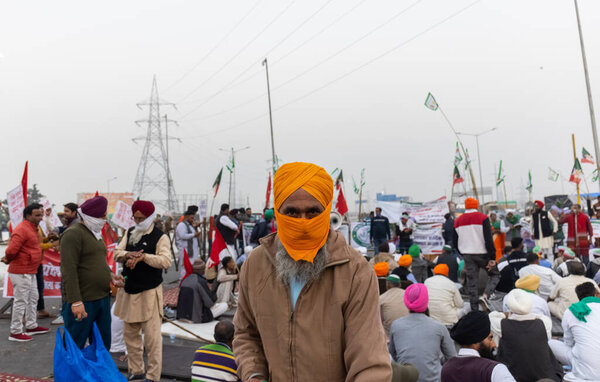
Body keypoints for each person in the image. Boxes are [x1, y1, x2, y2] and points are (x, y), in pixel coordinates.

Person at [233, 162, 392, 381]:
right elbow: (246, 334)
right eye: (292, 212)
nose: (303, 223)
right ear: (278, 213)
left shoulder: (355, 271)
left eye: (313, 212)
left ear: (327, 212)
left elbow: (370, 364)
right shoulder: (256, 265)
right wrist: (254, 374)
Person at [113, 201, 172, 382]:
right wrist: (128, 255)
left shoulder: (160, 237)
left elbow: (165, 261)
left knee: (152, 340)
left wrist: (144, 257)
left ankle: (153, 376)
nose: (138, 221)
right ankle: (136, 371)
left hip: (149, 293)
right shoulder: (130, 232)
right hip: (129, 291)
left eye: (141, 218)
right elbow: (116, 252)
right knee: (130, 336)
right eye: (135, 217)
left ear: (150, 217)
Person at [60, 195, 124, 349]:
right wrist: (76, 301)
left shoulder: (96, 233)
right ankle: (68, 373)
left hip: (101, 296)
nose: (104, 218)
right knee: (74, 343)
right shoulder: (73, 234)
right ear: (90, 216)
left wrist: (110, 276)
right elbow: (68, 270)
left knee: (102, 343)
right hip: (83, 299)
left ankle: (97, 372)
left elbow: (98, 261)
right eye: (101, 216)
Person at [389, 283, 456, 382]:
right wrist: (437, 361)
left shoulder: (396, 325)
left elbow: (393, 354)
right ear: (426, 301)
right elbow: (452, 357)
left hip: (406, 378)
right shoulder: (439, 327)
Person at [490, 289, 562, 381]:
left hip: (513, 376)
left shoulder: (500, 324)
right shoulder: (544, 322)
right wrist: (525, 313)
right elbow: (540, 316)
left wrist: (506, 315)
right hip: (544, 376)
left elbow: (491, 316)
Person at [2, 203, 49, 342]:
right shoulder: (22, 229)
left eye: (41, 214)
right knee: (21, 301)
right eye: (37, 215)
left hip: (31, 269)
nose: (40, 218)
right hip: (21, 270)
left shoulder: (33, 228)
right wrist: (8, 258)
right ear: (28, 216)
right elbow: (11, 250)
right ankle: (15, 331)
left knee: (33, 298)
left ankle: (31, 325)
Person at [442, 311, 516, 382]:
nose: (494, 344)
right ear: (476, 341)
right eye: (490, 338)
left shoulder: (446, 369)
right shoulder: (495, 370)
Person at [453, 198, 498, 311]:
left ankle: (474, 311)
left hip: (467, 255)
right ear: (476, 206)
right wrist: (492, 257)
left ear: (466, 206)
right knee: (495, 274)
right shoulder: (482, 218)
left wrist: (462, 253)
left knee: (472, 283)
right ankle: (485, 296)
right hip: (482, 254)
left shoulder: (458, 220)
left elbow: (454, 241)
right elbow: (488, 239)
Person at [549, 282, 600, 382]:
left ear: (578, 297)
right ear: (595, 294)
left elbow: (568, 342)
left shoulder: (572, 311)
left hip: (585, 369)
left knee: (551, 343)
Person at [177, 259, 228, 323]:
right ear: (200, 270)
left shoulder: (185, 280)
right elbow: (209, 304)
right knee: (224, 305)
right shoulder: (200, 281)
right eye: (204, 269)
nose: (204, 271)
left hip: (181, 315)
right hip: (195, 318)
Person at [176, 209, 200, 278]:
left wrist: (196, 230)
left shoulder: (190, 226)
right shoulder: (181, 225)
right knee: (185, 268)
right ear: (186, 217)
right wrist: (193, 235)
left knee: (191, 268)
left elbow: (194, 234)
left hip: (191, 252)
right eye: (191, 218)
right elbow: (182, 235)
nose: (193, 219)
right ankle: (183, 284)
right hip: (185, 251)